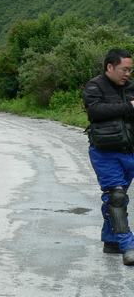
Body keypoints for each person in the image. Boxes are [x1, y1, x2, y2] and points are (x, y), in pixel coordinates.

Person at [83, 48, 134, 266]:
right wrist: (128, 107)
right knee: (117, 197)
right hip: (104, 152)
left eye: (130, 70)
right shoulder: (94, 86)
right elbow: (95, 112)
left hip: (129, 151)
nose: (128, 74)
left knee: (115, 202)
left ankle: (111, 241)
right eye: (124, 69)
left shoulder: (131, 87)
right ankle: (128, 246)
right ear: (110, 67)